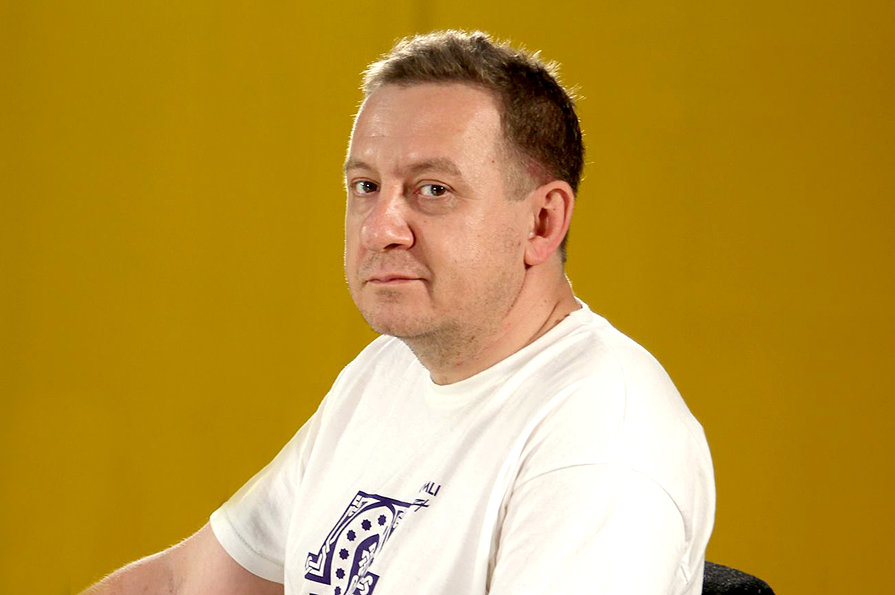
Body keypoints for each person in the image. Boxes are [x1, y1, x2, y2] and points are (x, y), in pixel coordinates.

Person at [83, 30, 714, 595]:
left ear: (542, 222)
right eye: (366, 186)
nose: (380, 228)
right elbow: (180, 584)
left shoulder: (601, 436)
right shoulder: (385, 374)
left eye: (433, 190)